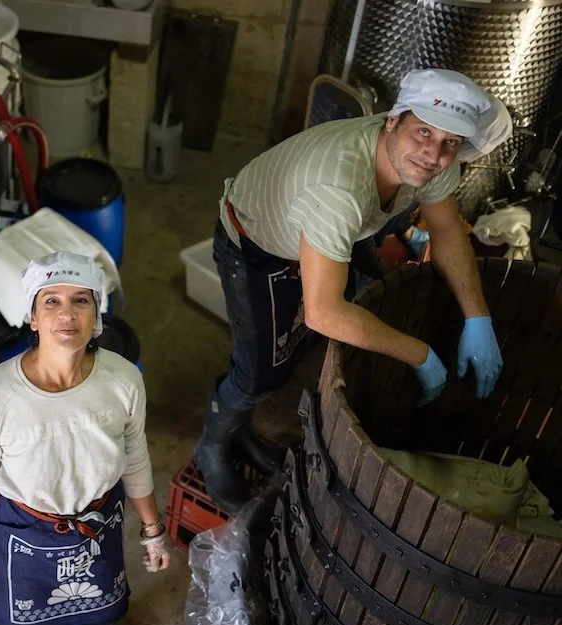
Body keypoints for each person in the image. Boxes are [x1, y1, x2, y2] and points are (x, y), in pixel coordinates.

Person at [195, 68, 508, 512]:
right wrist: (420, 354)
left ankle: (241, 429)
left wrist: (478, 317)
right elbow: (324, 312)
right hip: (255, 242)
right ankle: (212, 443)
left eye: (450, 142)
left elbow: (447, 230)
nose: (433, 153)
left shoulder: (430, 158)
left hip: (324, 228)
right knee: (261, 372)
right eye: (423, 131)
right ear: (393, 120)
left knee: (299, 343)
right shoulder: (337, 187)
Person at [0, 250, 172, 625]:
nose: (67, 313)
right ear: (33, 317)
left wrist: (153, 530)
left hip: (97, 521)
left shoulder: (122, 380)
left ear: (96, 317)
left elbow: (135, 457)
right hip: (26, 529)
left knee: (89, 603)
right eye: (51, 301)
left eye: (81, 300)